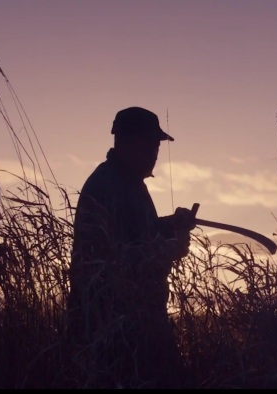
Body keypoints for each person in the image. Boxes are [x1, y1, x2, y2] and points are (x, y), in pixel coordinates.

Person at [66, 107, 196, 388]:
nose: (155, 152)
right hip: (115, 333)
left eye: (157, 145)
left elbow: (135, 232)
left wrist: (172, 224)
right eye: (149, 143)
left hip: (141, 328)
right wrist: (165, 251)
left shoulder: (130, 183)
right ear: (125, 142)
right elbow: (103, 261)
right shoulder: (105, 187)